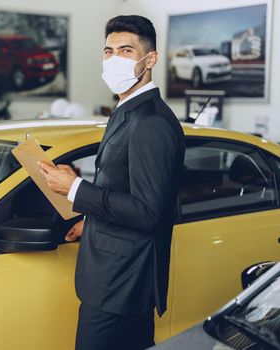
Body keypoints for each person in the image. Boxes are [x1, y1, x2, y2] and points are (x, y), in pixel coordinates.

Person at [38, 15, 185, 349]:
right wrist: (89, 219)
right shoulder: (126, 110)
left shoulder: (152, 123)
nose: (113, 59)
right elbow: (122, 190)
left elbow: (149, 212)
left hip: (123, 283)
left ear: (151, 60)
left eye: (126, 50)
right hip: (108, 277)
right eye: (108, 51)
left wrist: (74, 189)